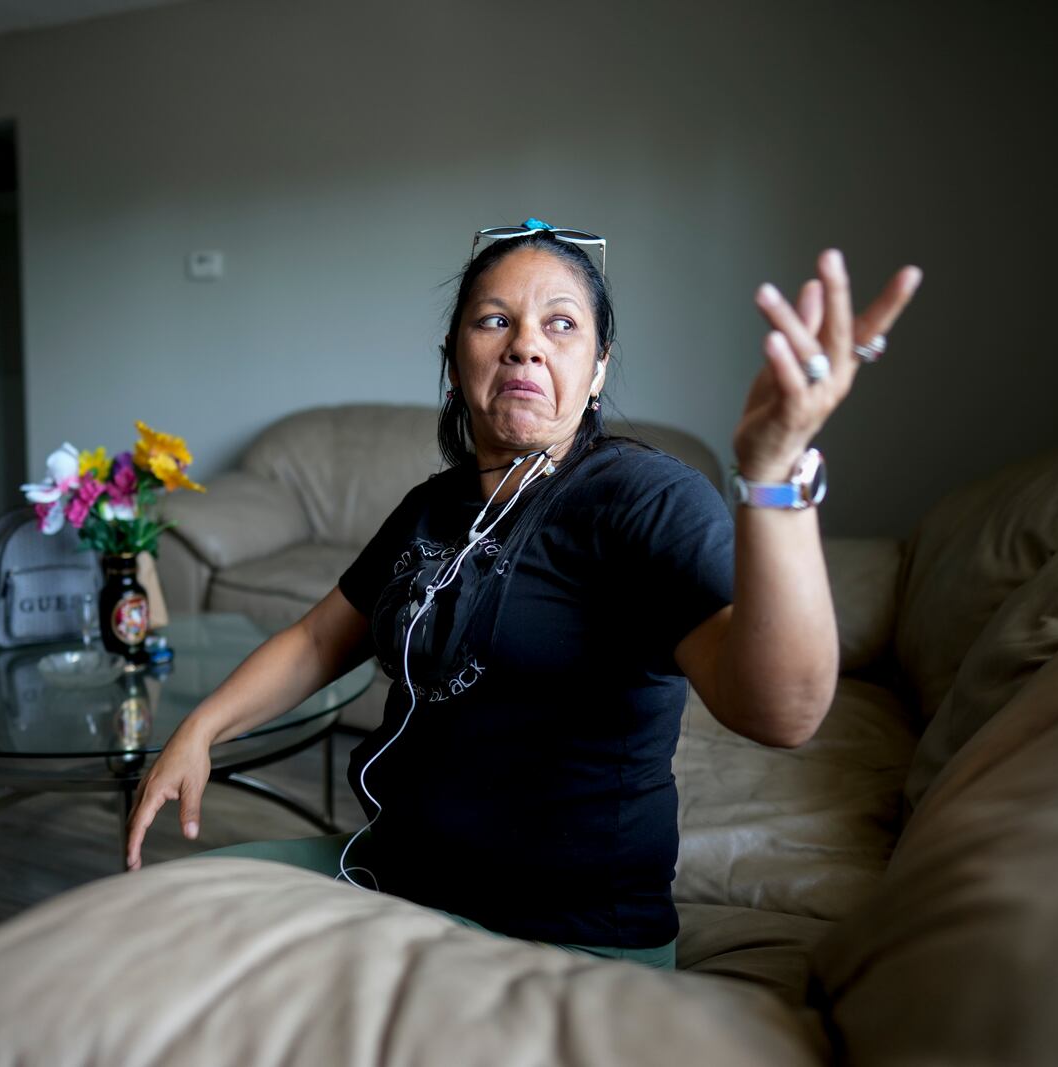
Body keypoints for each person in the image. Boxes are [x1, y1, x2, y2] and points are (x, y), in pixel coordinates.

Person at [124, 220, 922, 970]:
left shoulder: (643, 498)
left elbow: (782, 710)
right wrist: (201, 727)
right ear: (454, 357)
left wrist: (775, 474)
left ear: (600, 366)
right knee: (166, 913)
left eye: (562, 324)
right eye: (493, 321)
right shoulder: (431, 507)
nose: (526, 346)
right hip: (393, 882)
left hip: (558, 941)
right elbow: (314, 640)